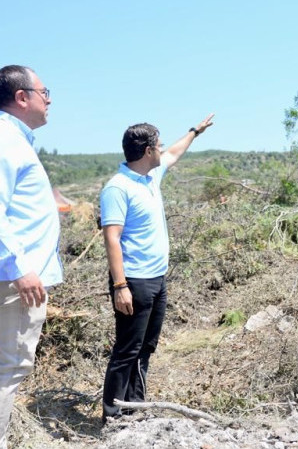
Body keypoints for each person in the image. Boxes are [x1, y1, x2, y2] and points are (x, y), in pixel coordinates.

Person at [0, 65, 62, 449]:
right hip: (14, 278)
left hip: (17, 275)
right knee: (8, 369)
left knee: (9, 368)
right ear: (22, 97)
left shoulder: (12, 140)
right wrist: (19, 267)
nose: (50, 99)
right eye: (45, 91)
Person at [99, 114, 214, 422]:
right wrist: (120, 286)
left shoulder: (151, 176)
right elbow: (112, 238)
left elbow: (175, 152)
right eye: (158, 145)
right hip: (134, 282)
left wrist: (194, 131)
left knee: (145, 348)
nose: (163, 150)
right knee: (126, 350)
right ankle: (112, 417)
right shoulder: (117, 188)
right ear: (148, 151)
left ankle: (135, 409)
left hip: (157, 279)